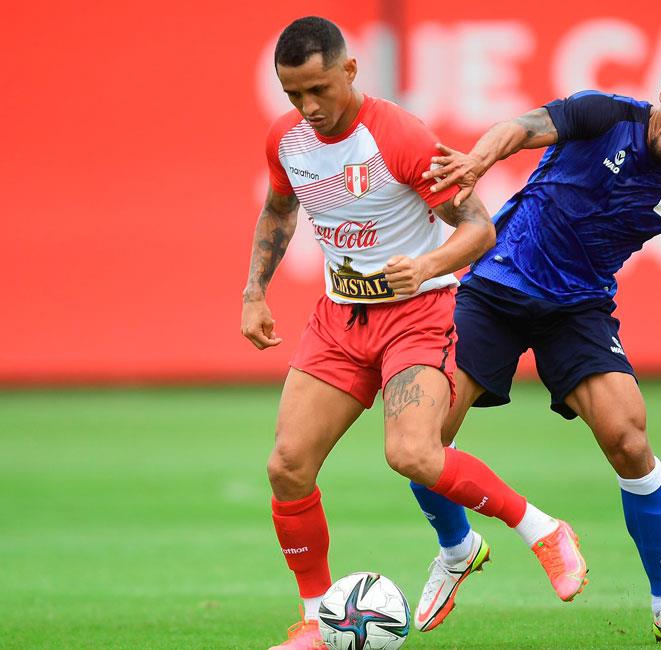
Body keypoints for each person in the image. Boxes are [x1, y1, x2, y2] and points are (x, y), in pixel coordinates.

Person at [406, 52, 661, 645]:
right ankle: (457, 547)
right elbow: (520, 128)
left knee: (630, 438)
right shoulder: (603, 115)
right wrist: (475, 162)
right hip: (497, 285)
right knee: (425, 434)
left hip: (578, 309)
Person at [241, 17, 588, 650]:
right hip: (340, 320)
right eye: (293, 95)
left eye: (318, 89)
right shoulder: (286, 140)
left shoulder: (399, 137)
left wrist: (425, 267)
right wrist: (254, 291)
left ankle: (543, 530)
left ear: (351, 70)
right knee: (287, 466)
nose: (308, 107)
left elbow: (480, 228)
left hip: (418, 315)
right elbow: (279, 206)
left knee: (412, 454)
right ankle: (317, 620)